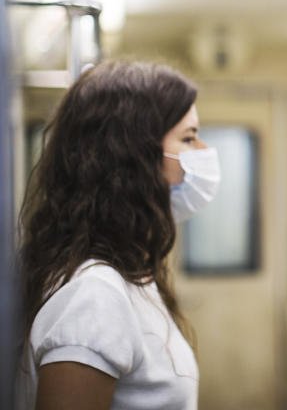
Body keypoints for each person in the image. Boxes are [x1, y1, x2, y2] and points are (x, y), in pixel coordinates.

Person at [15, 60, 220, 410]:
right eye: (188, 138)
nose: (203, 151)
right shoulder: (93, 297)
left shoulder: (128, 277)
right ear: (133, 156)